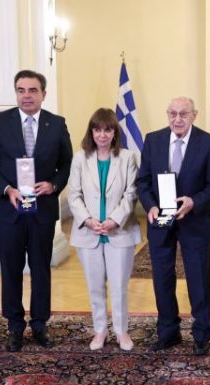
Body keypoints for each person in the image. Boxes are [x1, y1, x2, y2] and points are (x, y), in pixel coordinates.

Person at [0, 69, 73, 352]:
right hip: (8, 210)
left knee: (41, 268)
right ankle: (15, 325)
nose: (27, 96)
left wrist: (54, 184)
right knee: (11, 268)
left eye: (33, 90)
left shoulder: (57, 124)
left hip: (42, 209)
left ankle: (40, 323)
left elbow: (67, 164)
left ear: (44, 94)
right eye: (21, 90)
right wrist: (7, 189)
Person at [137, 97, 210, 356]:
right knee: (162, 279)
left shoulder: (208, 143)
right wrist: (150, 206)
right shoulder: (153, 140)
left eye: (183, 114)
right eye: (172, 113)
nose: (177, 119)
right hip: (160, 222)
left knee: (198, 279)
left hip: (194, 221)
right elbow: (143, 182)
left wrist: (193, 201)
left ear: (194, 115)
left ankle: (201, 334)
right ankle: (168, 332)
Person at [68, 108, 142, 351]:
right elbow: (74, 195)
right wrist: (88, 220)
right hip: (88, 232)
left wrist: (114, 219)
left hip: (119, 231)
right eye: (97, 129)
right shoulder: (80, 158)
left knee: (119, 286)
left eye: (107, 130)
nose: (102, 135)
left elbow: (131, 193)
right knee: (95, 286)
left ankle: (121, 331)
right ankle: (100, 330)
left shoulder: (128, 157)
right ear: (91, 132)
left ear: (114, 133)